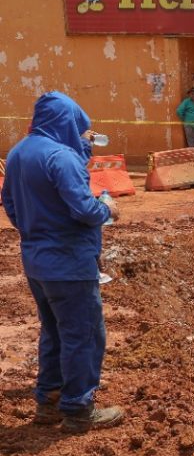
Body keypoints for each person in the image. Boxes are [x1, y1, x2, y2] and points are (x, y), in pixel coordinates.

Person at [1, 92, 123, 431]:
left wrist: (35, 228)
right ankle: (78, 408)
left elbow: (9, 202)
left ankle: (49, 401)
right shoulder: (61, 157)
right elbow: (85, 211)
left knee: (54, 330)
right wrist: (107, 209)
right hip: (69, 262)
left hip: (37, 261)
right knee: (83, 334)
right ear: (68, 123)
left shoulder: (18, 153)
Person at [176, 88, 194, 164]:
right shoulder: (186, 102)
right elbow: (179, 111)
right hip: (190, 125)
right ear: (189, 94)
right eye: (192, 93)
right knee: (191, 142)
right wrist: (185, 120)